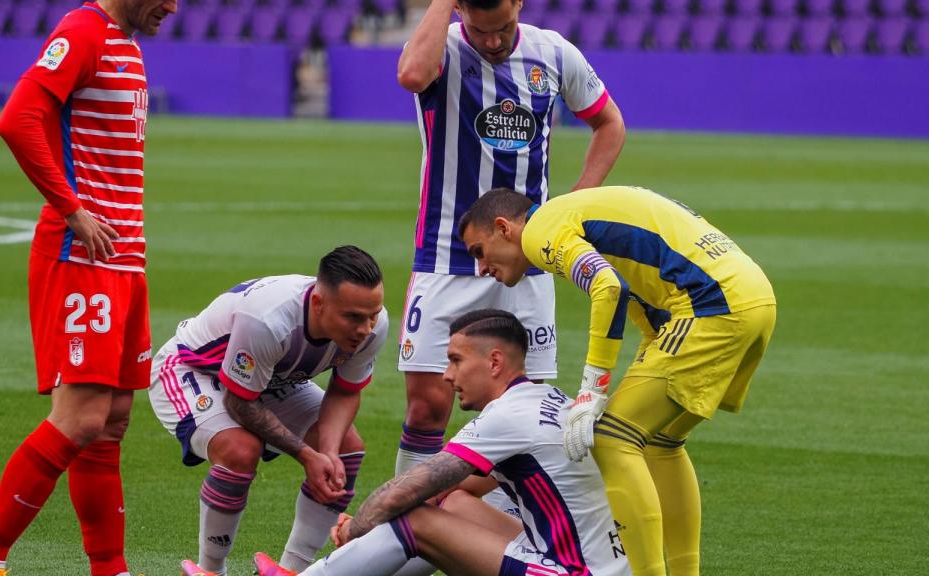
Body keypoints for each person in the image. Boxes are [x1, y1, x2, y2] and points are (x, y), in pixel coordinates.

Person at [0, 1, 176, 575]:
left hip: (125, 258)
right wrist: (72, 209)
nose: (174, 8)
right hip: (82, 255)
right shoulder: (83, 31)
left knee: (110, 423)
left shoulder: (126, 43)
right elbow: (17, 119)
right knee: (80, 417)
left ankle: (110, 569)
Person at [457, 187, 778, 575]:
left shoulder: (540, 231)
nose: (480, 268)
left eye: (479, 251)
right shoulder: (574, 212)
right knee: (662, 442)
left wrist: (593, 387)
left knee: (613, 438)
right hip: (754, 299)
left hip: (712, 305)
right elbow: (647, 293)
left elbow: (608, 287)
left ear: (503, 227)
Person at [393, 0, 626, 481]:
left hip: (527, 264)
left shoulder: (553, 53)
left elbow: (610, 123)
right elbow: (413, 75)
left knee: (522, 411)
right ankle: (406, 533)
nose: (494, 41)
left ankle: (508, 540)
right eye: (481, 30)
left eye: (504, 28)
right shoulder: (444, 48)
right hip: (444, 256)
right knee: (426, 409)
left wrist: (572, 205)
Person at [253, 309, 630, 576]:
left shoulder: (508, 417)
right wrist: (373, 528)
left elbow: (405, 492)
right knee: (450, 503)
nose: (447, 376)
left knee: (416, 517)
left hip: (573, 571)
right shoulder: (547, 398)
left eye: (455, 361)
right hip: (595, 562)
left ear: (495, 362)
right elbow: (449, 488)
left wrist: (355, 530)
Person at [152, 246, 390, 576]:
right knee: (239, 449)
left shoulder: (373, 326)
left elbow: (345, 392)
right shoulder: (268, 319)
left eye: (372, 315)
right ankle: (211, 570)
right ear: (318, 304)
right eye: (352, 317)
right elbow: (240, 402)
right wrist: (308, 456)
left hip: (269, 378)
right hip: (193, 372)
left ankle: (291, 571)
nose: (365, 329)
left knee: (346, 451)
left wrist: (328, 452)